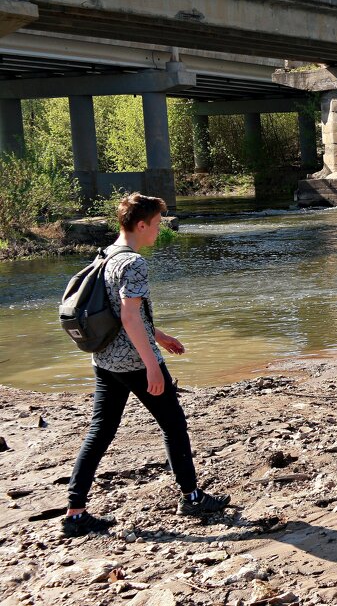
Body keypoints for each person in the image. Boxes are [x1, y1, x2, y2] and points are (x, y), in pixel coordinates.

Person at [62, 193, 231, 538]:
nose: (158, 232)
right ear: (141, 225)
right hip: (134, 362)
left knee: (100, 431)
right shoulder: (134, 263)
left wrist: (161, 336)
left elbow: (119, 313)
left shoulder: (107, 254)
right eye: (155, 225)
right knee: (174, 424)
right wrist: (153, 362)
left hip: (105, 359)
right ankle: (192, 497)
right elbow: (127, 316)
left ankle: (75, 511)